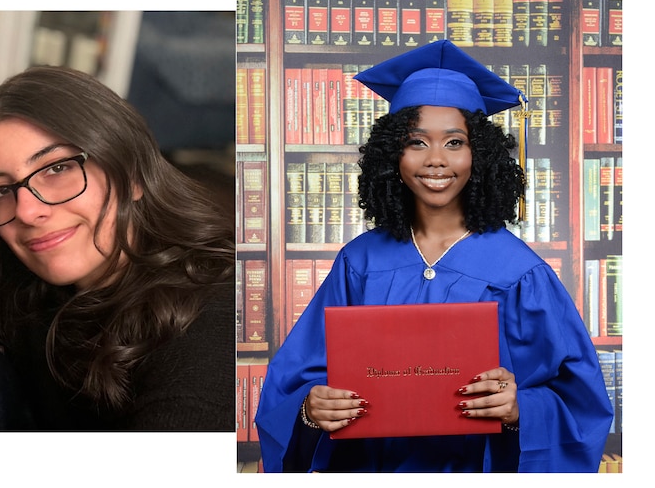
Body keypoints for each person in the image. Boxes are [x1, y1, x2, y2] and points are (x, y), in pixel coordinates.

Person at [254, 40, 613, 472]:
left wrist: (522, 410)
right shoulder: (360, 263)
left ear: (479, 154)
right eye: (417, 142)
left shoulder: (518, 272)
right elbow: (295, 378)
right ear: (392, 155)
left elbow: (581, 403)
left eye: (455, 142)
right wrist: (310, 409)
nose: (437, 160)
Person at [0, 65, 235, 431]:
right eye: (1, 190)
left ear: (132, 175)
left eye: (57, 169)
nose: (27, 211)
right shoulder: (28, 281)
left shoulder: (217, 319)